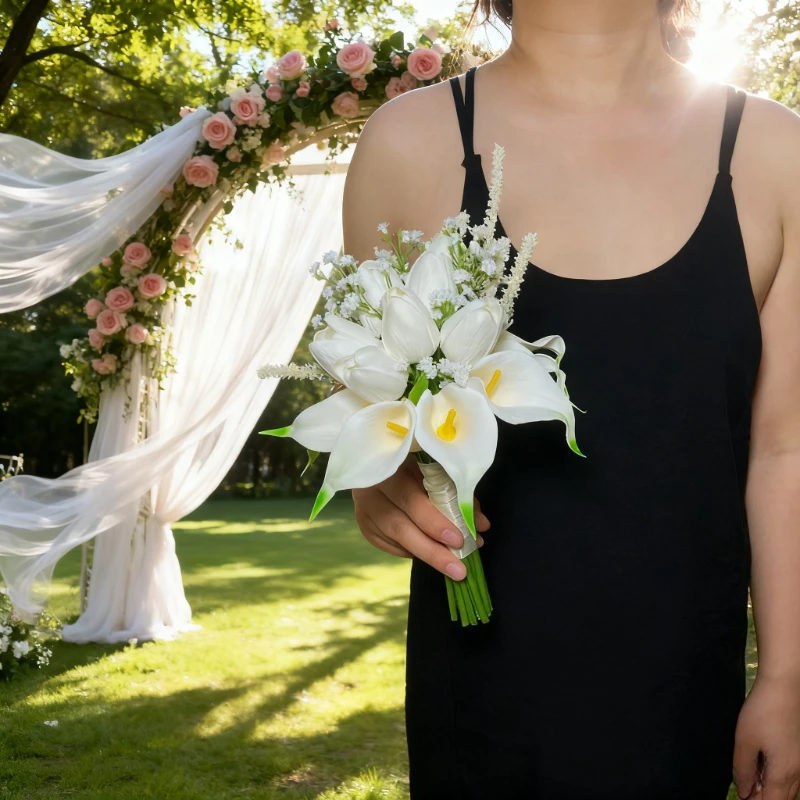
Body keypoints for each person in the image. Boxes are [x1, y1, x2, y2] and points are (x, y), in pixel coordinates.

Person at [341, 1, 800, 797]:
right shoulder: (408, 142)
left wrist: (788, 676)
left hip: (685, 693)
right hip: (480, 701)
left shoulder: (777, 153)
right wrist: (373, 480)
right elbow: (372, 402)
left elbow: (784, 448)